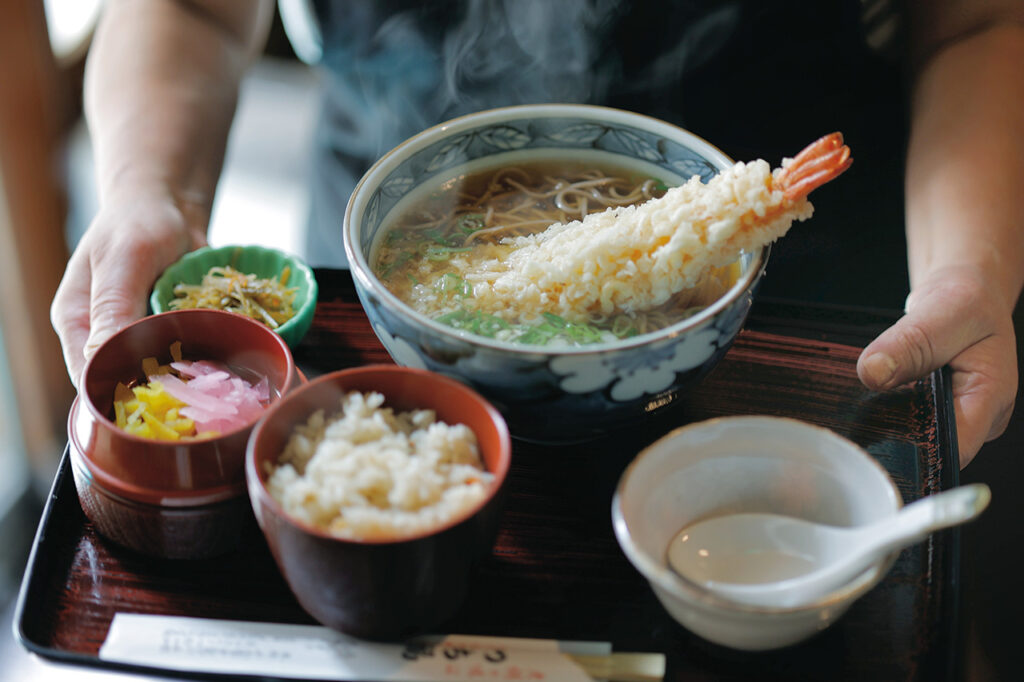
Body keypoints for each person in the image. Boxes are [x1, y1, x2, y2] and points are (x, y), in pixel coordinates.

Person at [50, 0, 1024, 468]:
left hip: (812, 328)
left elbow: (975, 22)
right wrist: (150, 191)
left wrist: (966, 270)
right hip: (379, 296)